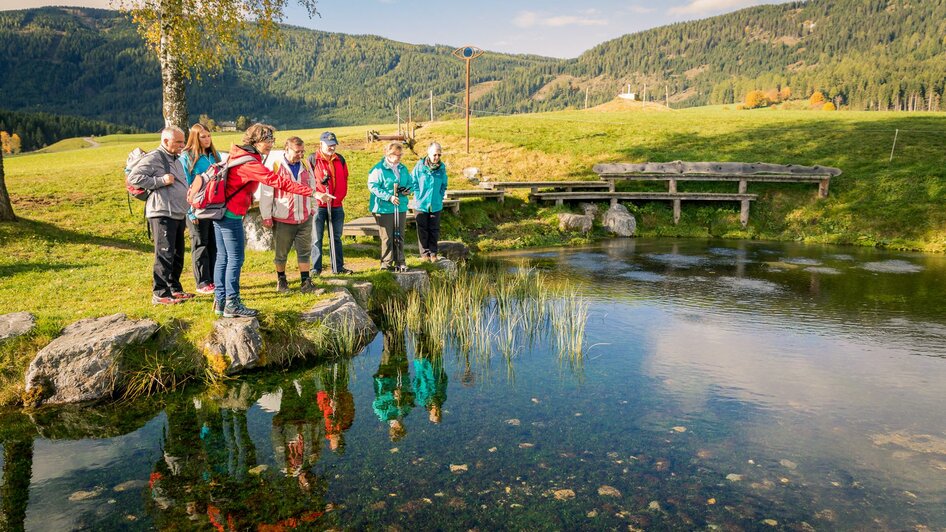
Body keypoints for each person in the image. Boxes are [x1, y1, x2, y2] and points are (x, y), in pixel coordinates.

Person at [213, 123, 321, 318]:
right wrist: (311, 192)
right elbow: (276, 181)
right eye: (268, 140)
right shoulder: (250, 162)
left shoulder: (240, 156)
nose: (271, 144)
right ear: (256, 141)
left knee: (223, 258)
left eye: (273, 139)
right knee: (235, 258)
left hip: (221, 212)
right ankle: (232, 303)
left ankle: (220, 302)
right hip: (231, 214)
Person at [126, 126, 192, 305]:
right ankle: (160, 293)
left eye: (182, 141)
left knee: (177, 254)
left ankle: (174, 289)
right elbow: (134, 178)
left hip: (177, 213)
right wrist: (161, 181)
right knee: (164, 253)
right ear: (165, 141)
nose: (182, 145)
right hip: (162, 213)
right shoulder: (155, 157)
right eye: (178, 142)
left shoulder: (175, 159)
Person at [260, 137, 318, 293]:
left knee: (305, 250)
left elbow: (312, 186)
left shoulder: (305, 165)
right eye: (297, 151)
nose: (300, 154)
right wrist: (266, 215)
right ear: (287, 149)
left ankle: (306, 282)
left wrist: (313, 209)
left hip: (304, 216)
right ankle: (281, 280)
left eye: (302, 151)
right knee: (281, 251)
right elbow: (266, 192)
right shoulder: (276, 166)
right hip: (283, 217)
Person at [179, 123, 221, 295]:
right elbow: (185, 183)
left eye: (209, 136)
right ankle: (202, 281)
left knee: (214, 243)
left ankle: (213, 278)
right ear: (195, 138)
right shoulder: (187, 157)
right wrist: (190, 210)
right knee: (200, 243)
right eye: (203, 136)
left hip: (214, 207)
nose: (207, 139)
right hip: (196, 208)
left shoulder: (214, 155)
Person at [308, 132, 353, 276]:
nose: (332, 147)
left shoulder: (340, 159)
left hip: (337, 205)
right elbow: (308, 180)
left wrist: (341, 196)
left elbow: (345, 178)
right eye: (329, 145)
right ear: (321, 144)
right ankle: (316, 268)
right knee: (316, 238)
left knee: (336, 237)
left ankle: (338, 267)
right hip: (319, 205)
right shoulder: (312, 159)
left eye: (334, 145)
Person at [368, 141, 413, 272]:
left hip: (400, 206)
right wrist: (389, 197)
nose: (397, 157)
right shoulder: (378, 169)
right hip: (383, 208)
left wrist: (407, 190)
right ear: (387, 153)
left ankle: (400, 261)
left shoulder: (402, 168)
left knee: (399, 235)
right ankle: (386, 263)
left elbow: (411, 183)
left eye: (400, 155)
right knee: (387, 236)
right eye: (394, 154)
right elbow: (372, 186)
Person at [411, 142, 448, 262]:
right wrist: (418, 194)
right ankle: (424, 254)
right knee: (422, 229)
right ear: (428, 153)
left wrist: (439, 196)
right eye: (434, 154)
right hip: (420, 204)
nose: (437, 157)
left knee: (434, 229)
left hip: (435, 204)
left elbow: (444, 184)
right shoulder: (419, 166)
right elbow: (413, 181)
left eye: (439, 154)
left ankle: (433, 254)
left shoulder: (442, 169)